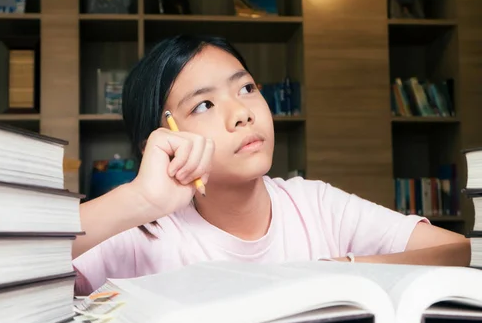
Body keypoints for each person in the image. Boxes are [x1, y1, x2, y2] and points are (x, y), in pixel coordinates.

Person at [72, 34, 471, 295]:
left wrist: (340, 271)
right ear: (163, 139)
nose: (242, 113)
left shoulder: (313, 204)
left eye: (246, 88)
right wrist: (141, 199)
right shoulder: (145, 234)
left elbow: (452, 250)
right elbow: (16, 262)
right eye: (205, 104)